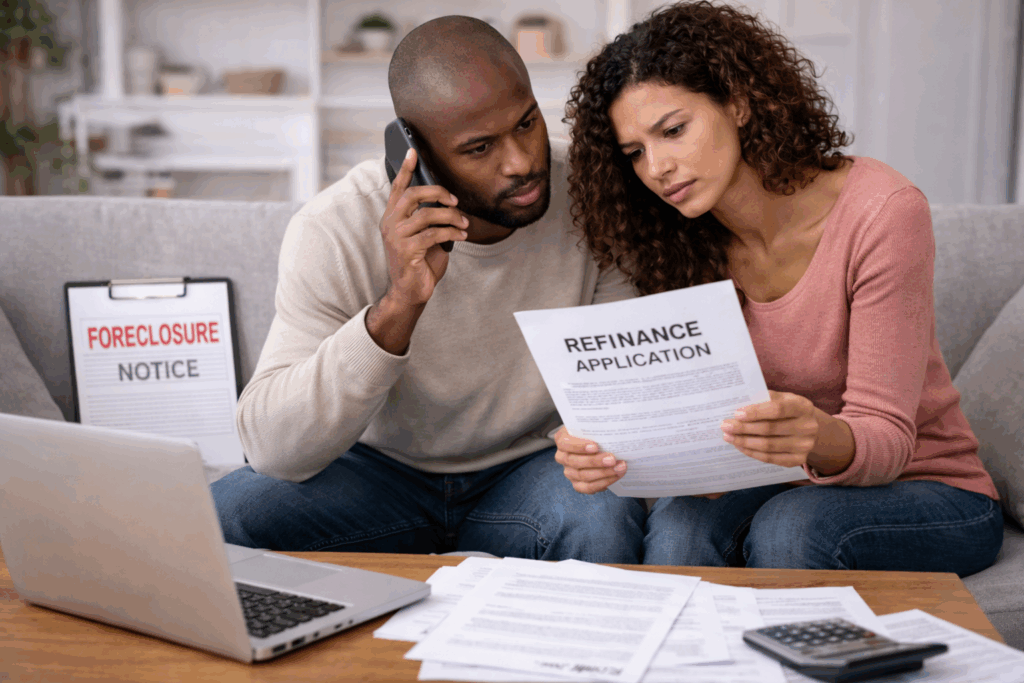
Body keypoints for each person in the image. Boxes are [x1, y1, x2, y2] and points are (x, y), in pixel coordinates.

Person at [556, 0, 1003, 574]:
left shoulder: (881, 212)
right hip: (780, 481)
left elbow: (889, 442)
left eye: (673, 131)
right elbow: (691, 420)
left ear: (738, 103)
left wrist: (815, 434)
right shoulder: (674, 242)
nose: (657, 168)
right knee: (677, 528)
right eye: (635, 153)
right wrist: (611, 448)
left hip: (933, 490)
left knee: (791, 528)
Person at [209, 16, 646, 562]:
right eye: (480, 148)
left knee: (600, 513)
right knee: (225, 515)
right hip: (377, 476)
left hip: (531, 471)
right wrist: (399, 304)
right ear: (414, 154)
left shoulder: (592, 194)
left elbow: (620, 392)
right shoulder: (335, 227)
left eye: (526, 122)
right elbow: (272, 450)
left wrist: (594, 441)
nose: (521, 162)